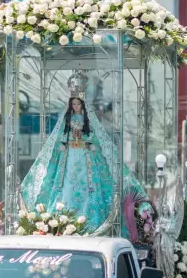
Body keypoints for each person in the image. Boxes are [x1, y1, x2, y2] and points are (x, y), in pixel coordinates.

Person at [21, 70, 152, 234]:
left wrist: (87, 142)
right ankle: (62, 221)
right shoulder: (66, 120)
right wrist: (67, 142)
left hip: (85, 159)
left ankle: (88, 223)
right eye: (74, 104)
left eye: (78, 104)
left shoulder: (88, 120)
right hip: (69, 159)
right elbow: (60, 138)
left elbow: (95, 139)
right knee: (65, 187)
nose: (76, 107)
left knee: (89, 188)